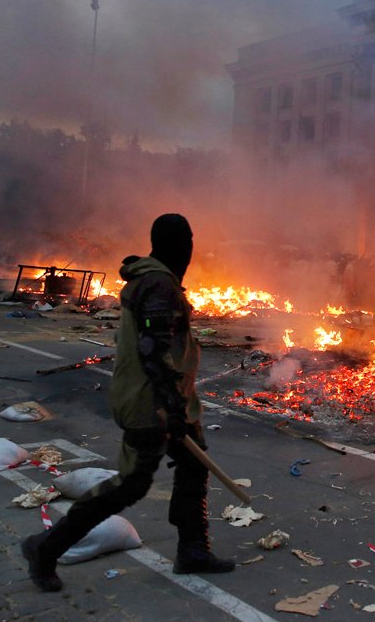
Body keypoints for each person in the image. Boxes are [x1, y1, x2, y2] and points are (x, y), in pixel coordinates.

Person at [23, 214, 234, 592]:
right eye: (187, 241)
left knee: (193, 464)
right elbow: (152, 350)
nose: (190, 249)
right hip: (149, 401)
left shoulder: (154, 280)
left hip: (171, 399)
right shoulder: (158, 285)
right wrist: (170, 409)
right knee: (131, 485)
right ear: (178, 245)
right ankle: (46, 547)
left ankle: (193, 550)